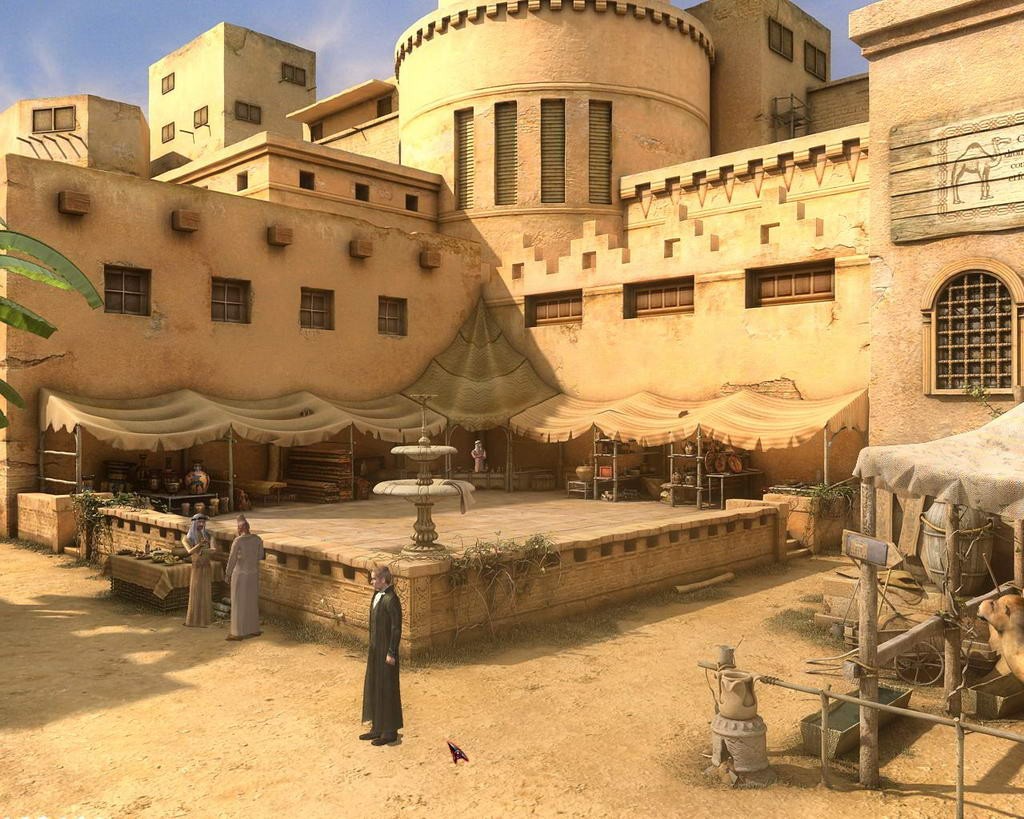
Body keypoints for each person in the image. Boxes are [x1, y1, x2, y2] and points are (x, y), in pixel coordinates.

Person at [360, 565, 403, 746]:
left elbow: (396, 628)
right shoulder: (376, 596)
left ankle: (389, 731)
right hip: (375, 650)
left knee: (387, 688)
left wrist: (391, 652)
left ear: (383, 580)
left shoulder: (392, 599)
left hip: (386, 651)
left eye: (374, 579)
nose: (371, 582)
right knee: (375, 684)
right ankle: (377, 727)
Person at [225, 514, 265, 641]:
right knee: (251, 601)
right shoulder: (258, 539)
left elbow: (232, 559)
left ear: (240, 528)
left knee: (238, 602)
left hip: (240, 575)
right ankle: (253, 629)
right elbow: (260, 556)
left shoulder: (238, 541)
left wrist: (228, 574)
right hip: (253, 574)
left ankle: (237, 633)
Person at [181, 513, 213, 628]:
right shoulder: (187, 538)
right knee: (196, 591)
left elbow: (211, 549)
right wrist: (199, 545)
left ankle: (205, 619)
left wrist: (209, 547)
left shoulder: (206, 535)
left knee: (205, 591)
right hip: (197, 567)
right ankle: (194, 620)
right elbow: (190, 551)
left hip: (206, 565)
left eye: (203, 522)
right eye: (199, 522)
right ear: (194, 523)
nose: (201, 524)